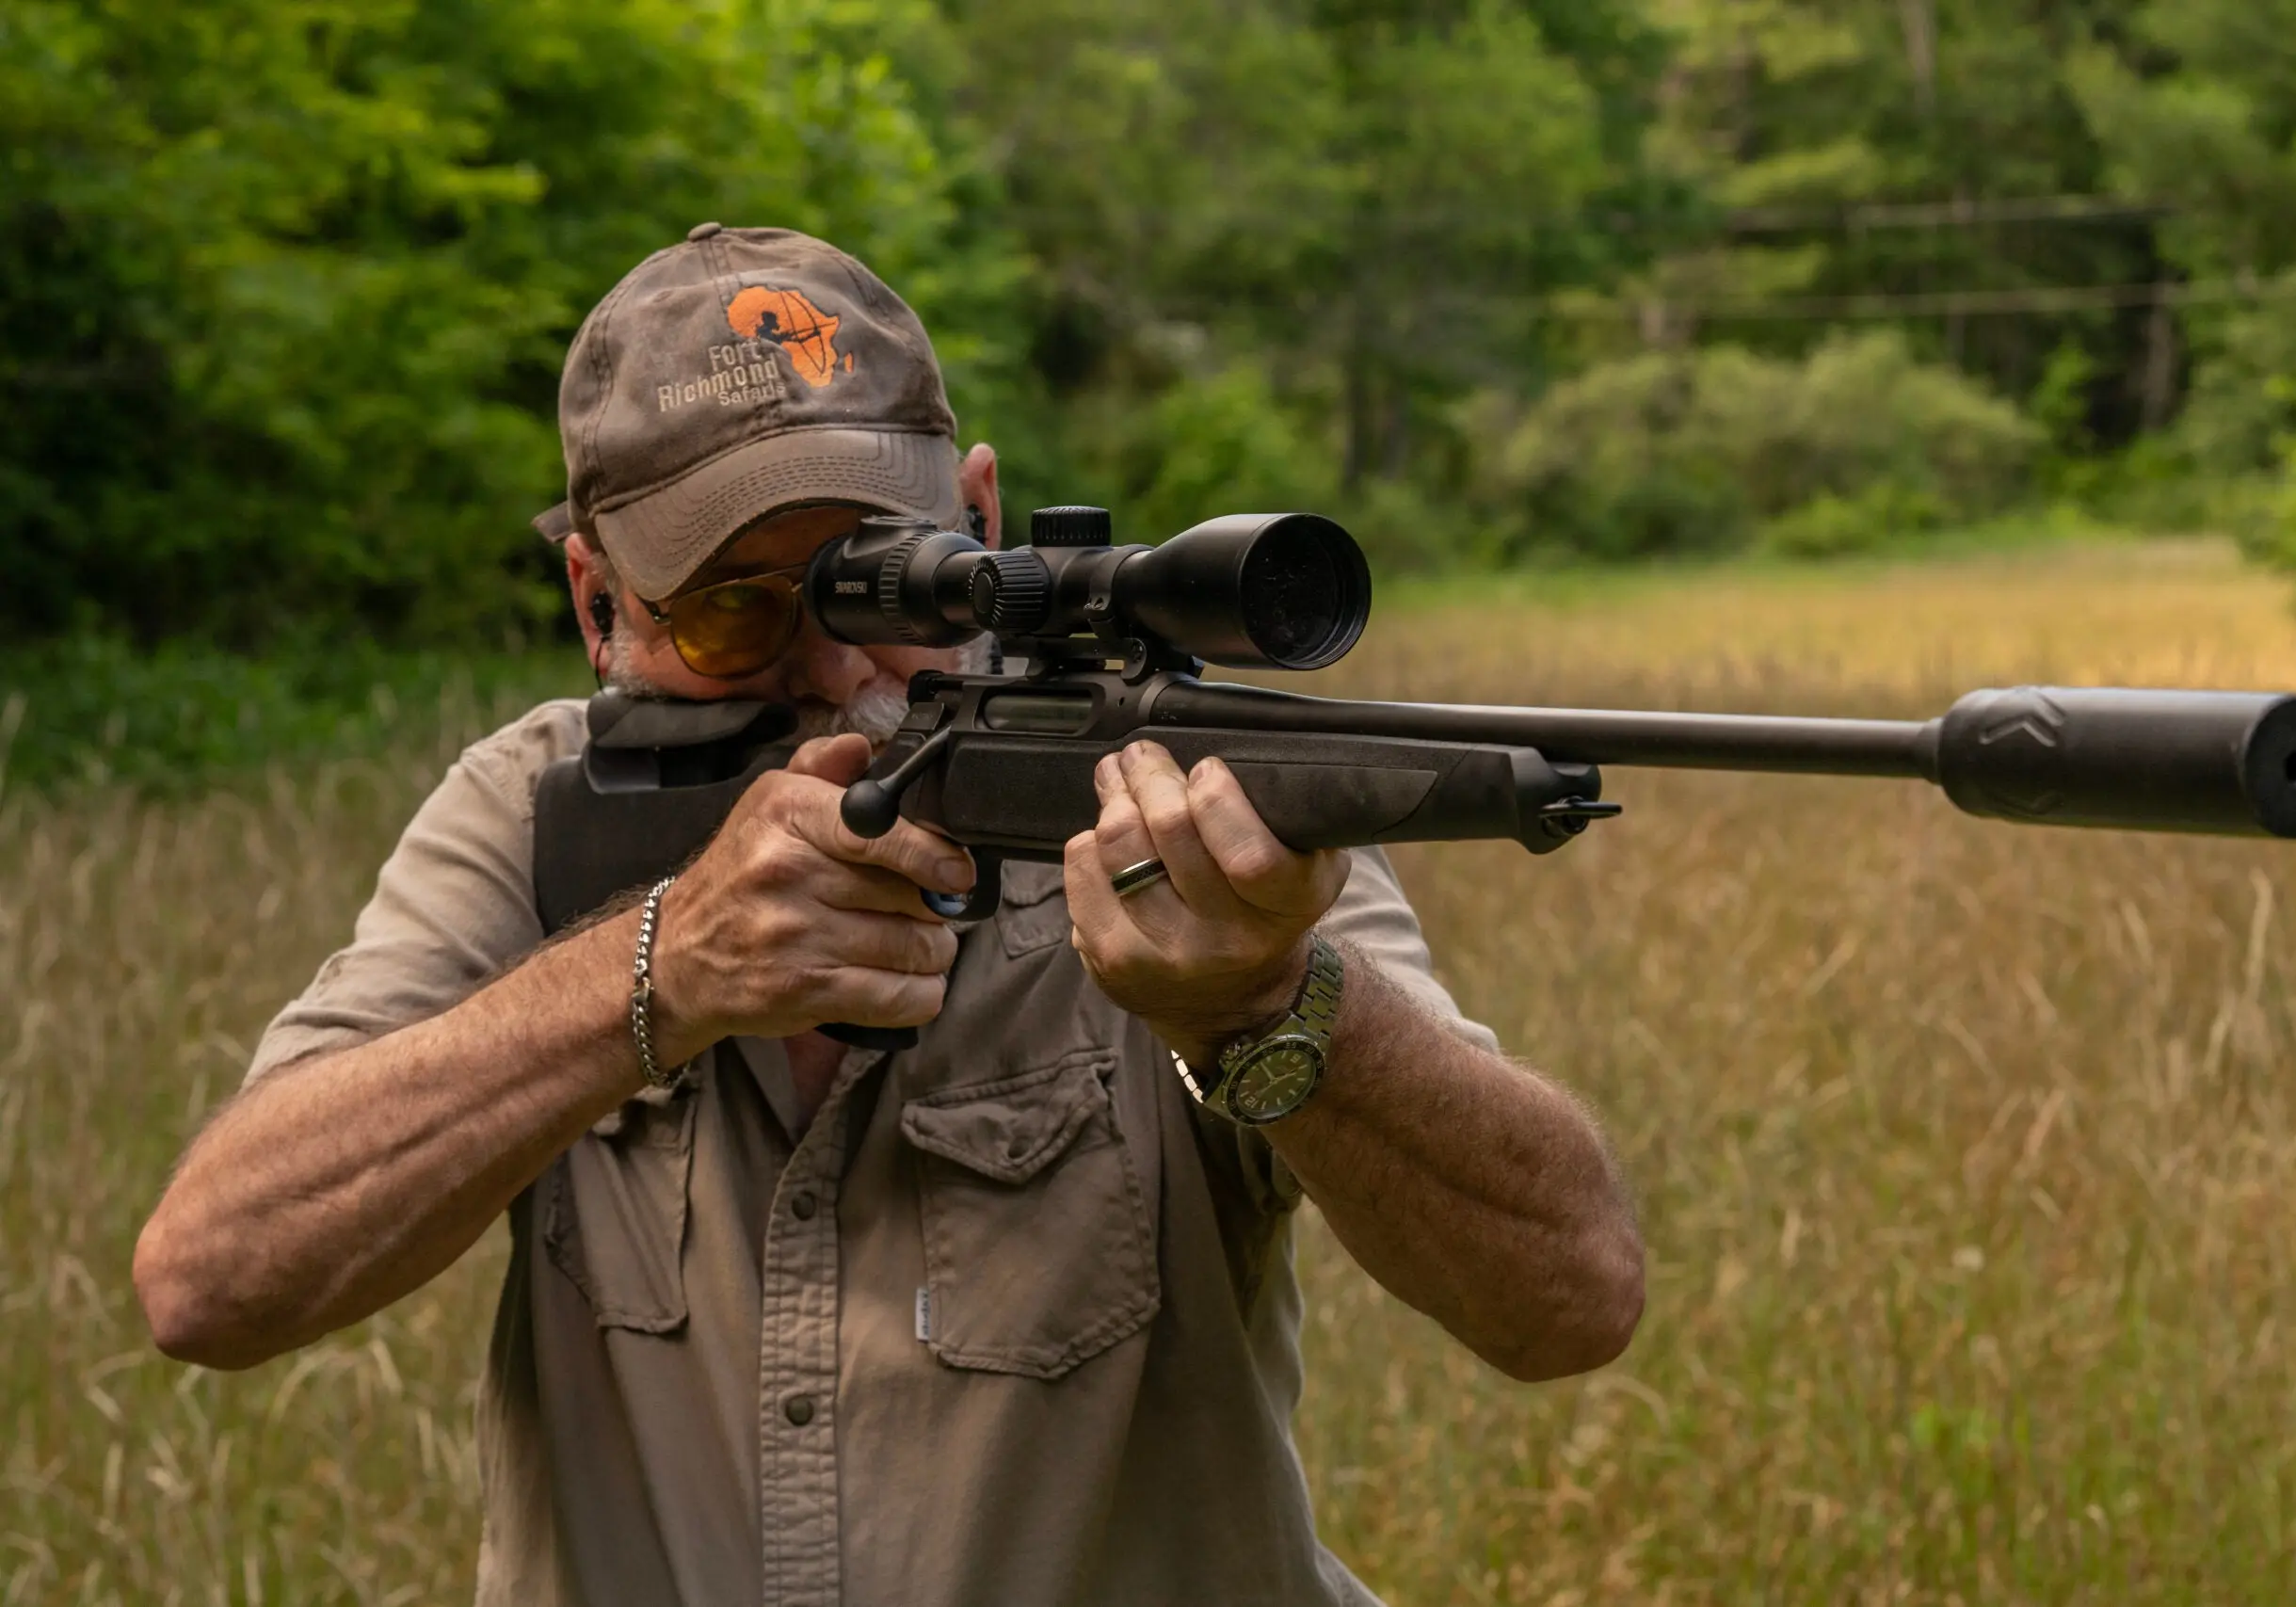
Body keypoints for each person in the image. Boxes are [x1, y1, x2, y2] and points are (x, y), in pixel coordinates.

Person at [132, 224, 1645, 1607]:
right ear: (598, 605)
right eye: (732, 608)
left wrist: (1269, 1012)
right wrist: (659, 971)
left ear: (975, 514)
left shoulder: (1180, 806)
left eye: (888, 579)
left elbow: (1567, 1297)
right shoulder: (530, 812)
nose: (832, 669)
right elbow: (210, 1277)